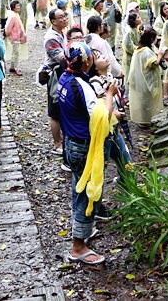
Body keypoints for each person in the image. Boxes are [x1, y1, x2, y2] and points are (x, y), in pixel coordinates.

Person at [57, 41, 119, 266]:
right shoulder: (81, 86)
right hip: (85, 146)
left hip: (71, 143)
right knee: (88, 193)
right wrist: (110, 94)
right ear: (86, 62)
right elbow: (102, 116)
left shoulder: (65, 78)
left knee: (78, 186)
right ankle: (78, 247)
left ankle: (82, 229)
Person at [127, 28, 167, 126]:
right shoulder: (146, 51)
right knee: (148, 100)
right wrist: (160, 55)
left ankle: (142, 119)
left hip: (138, 79)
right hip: (146, 79)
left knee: (142, 100)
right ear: (151, 39)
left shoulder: (138, 48)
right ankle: (147, 120)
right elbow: (154, 64)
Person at [43, 7, 69, 155]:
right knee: (55, 111)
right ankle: (57, 143)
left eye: (65, 15)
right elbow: (62, 58)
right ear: (53, 21)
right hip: (55, 75)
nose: (65, 18)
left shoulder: (62, 33)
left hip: (62, 74)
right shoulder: (51, 38)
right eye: (61, 17)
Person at [84, 15, 123, 81]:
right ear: (98, 28)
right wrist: (119, 72)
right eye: (101, 24)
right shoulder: (101, 42)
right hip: (101, 75)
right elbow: (109, 60)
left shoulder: (84, 39)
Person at [3, 0, 28, 76]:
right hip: (14, 37)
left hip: (17, 36)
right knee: (16, 53)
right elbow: (8, 27)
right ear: (13, 7)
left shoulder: (15, 14)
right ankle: (18, 68)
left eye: (19, 6)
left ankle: (12, 67)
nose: (19, 7)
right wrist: (7, 34)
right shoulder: (13, 16)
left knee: (15, 52)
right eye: (17, 6)